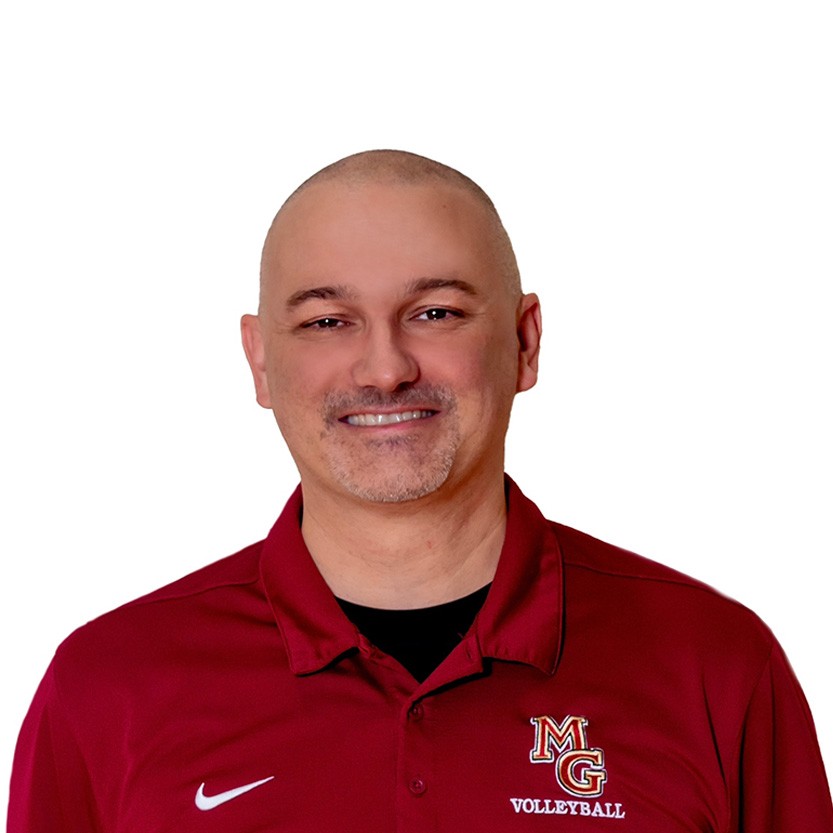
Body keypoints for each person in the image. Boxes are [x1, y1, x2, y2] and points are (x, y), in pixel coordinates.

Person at [8, 150, 832, 832]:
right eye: (327, 321)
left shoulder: (714, 665)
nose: (384, 368)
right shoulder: (108, 686)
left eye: (435, 313)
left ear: (523, 342)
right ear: (260, 361)